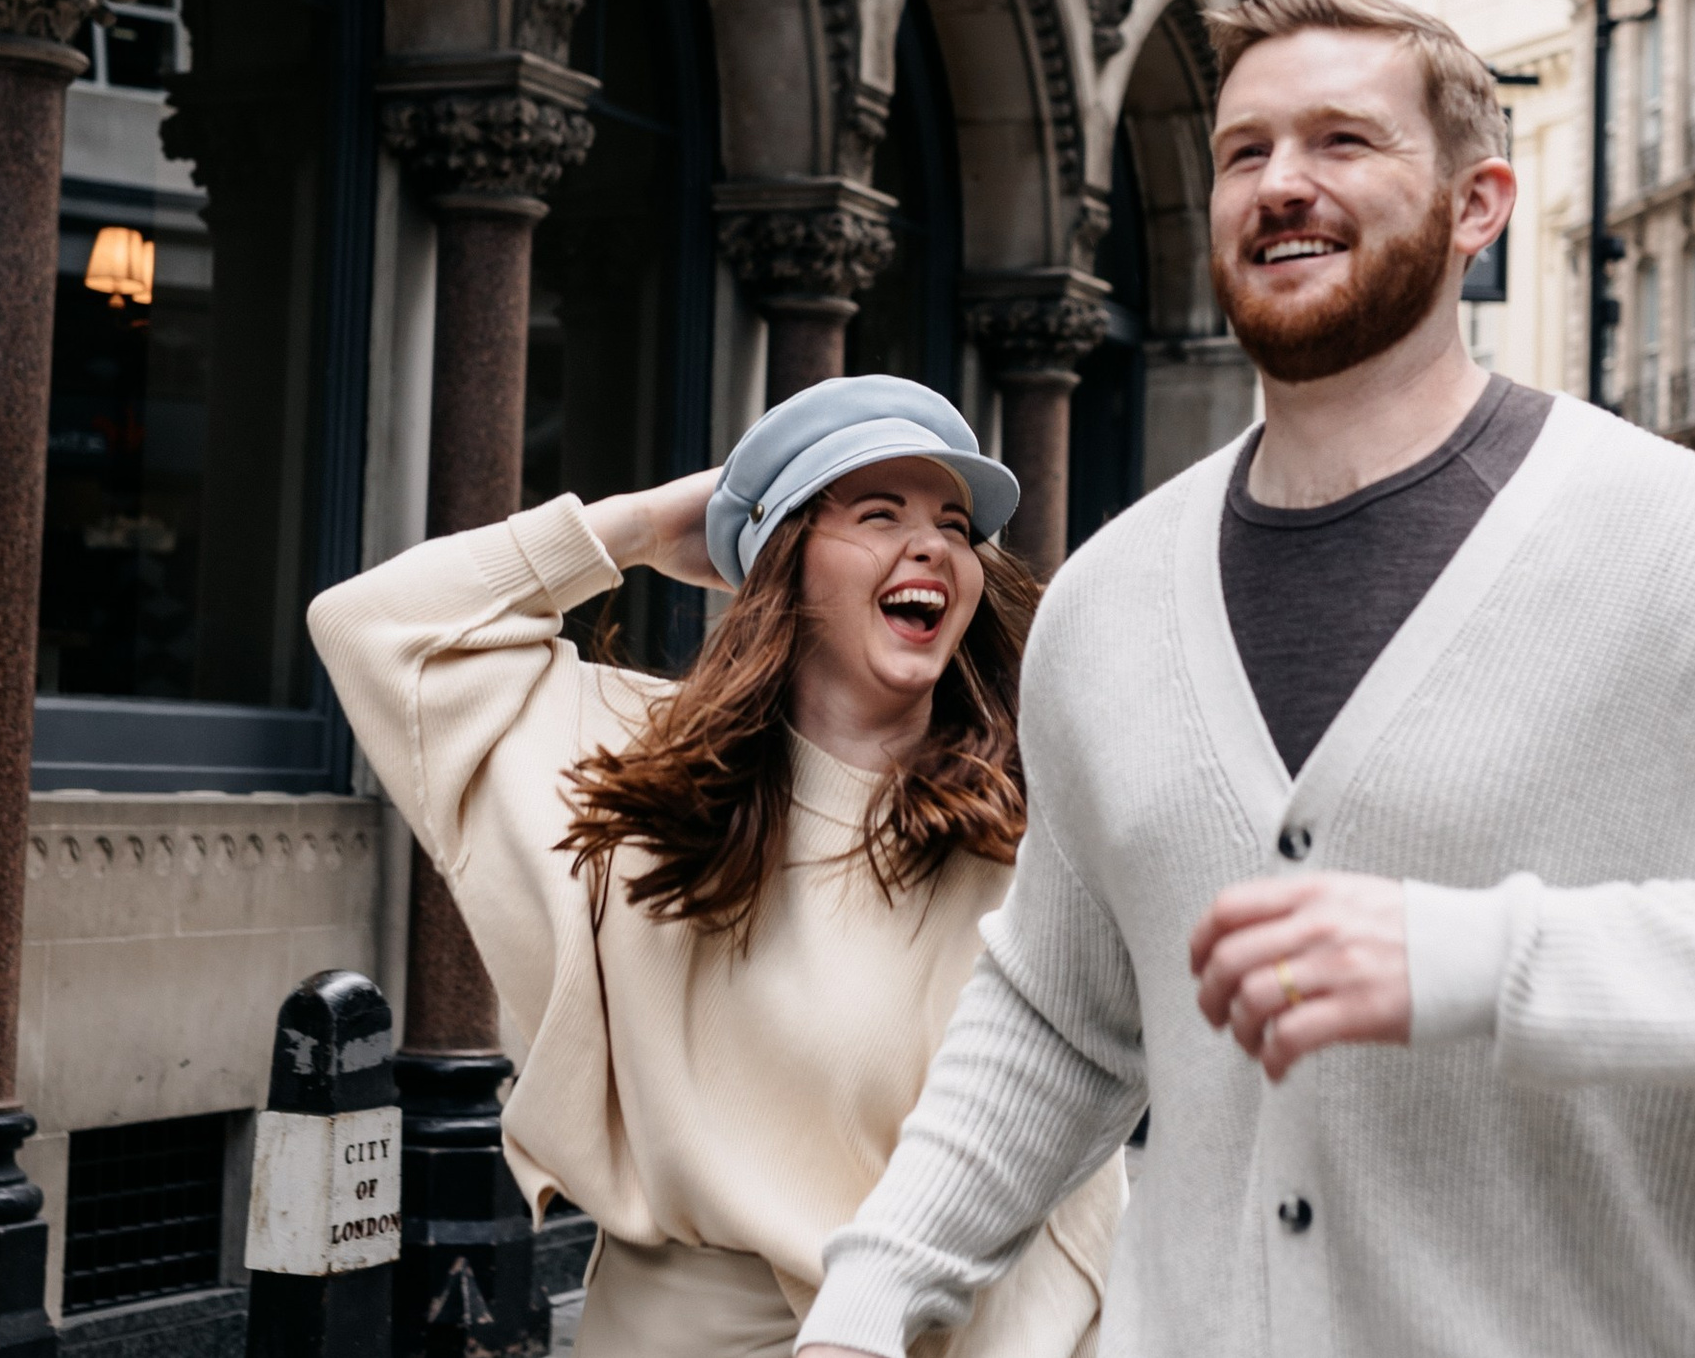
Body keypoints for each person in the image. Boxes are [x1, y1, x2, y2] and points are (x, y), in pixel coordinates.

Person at [796, 0, 1695, 1358]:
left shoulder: (1672, 536)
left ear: (1476, 206)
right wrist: (871, 1296)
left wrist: (1481, 959)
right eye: (1245, 151)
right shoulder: (1104, 600)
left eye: (1342, 140)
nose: (1282, 182)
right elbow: (1056, 1021)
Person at [308, 376, 1119, 1358]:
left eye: (955, 525)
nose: (933, 545)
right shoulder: (637, 766)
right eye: (878, 513)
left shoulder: (1023, 830)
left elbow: (1066, 1190)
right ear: (786, 564)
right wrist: (646, 527)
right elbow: (372, 625)